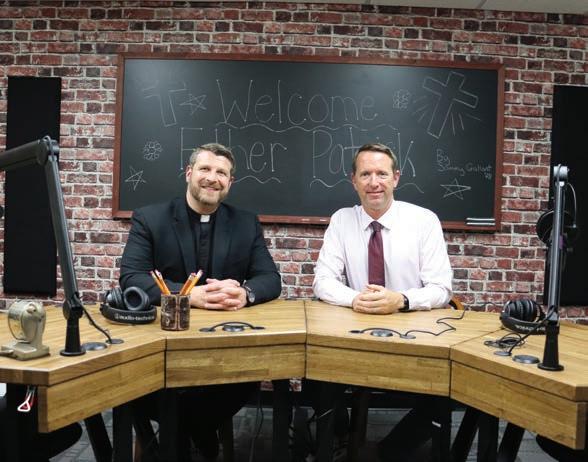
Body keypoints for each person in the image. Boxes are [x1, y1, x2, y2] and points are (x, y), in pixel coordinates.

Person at [120, 142, 281, 460]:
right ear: (189, 173)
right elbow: (131, 278)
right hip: (162, 348)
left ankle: (182, 437)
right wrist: (187, 295)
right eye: (205, 169)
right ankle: (198, 437)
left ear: (230, 182)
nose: (212, 178)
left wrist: (244, 294)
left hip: (221, 351)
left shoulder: (245, 222)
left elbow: (270, 279)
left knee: (248, 375)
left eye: (222, 173)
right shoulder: (150, 219)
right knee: (135, 384)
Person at [313, 142, 453, 461]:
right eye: (365, 174)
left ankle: (386, 453)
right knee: (314, 372)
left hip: (413, 337)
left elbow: (442, 288)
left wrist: (401, 300)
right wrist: (356, 299)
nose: (374, 182)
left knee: (445, 390)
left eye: (382, 174)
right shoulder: (342, 220)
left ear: (396, 178)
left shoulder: (424, 221)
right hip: (355, 334)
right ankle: (338, 440)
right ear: (354, 181)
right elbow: (323, 280)